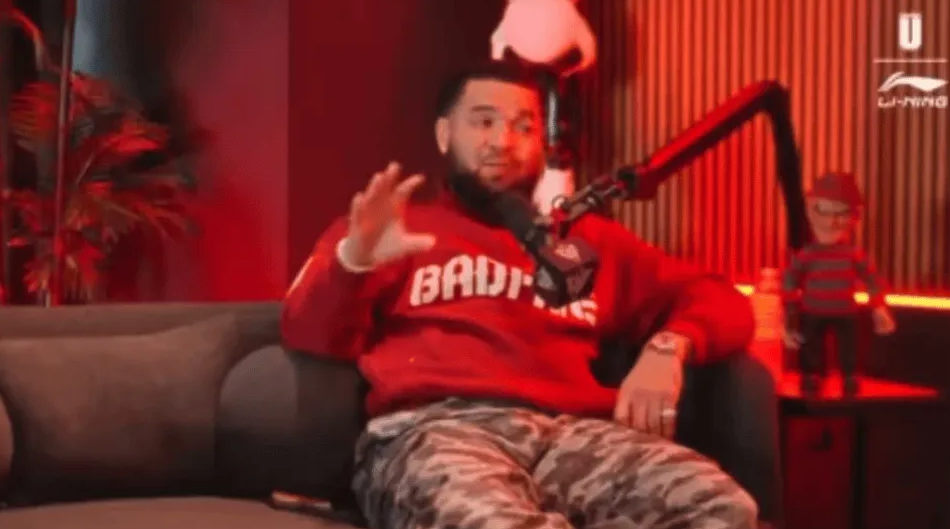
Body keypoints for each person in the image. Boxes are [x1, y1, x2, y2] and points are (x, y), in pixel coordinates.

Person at [283, 61, 759, 529]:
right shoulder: (395, 232)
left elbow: (722, 300)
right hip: (435, 431)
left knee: (720, 506)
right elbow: (306, 332)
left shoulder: (583, 241)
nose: (503, 141)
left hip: (571, 436)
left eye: (523, 127)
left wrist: (669, 347)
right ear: (445, 134)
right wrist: (353, 262)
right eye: (483, 121)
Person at [782, 171, 896, 397]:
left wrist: (879, 306)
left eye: (841, 213)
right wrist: (790, 315)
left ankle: (850, 376)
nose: (831, 221)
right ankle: (811, 376)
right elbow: (789, 282)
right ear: (810, 210)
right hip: (811, 311)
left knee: (849, 347)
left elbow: (873, 281)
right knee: (811, 346)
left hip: (846, 312)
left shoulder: (854, 255)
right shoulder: (806, 255)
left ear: (854, 216)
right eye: (824, 211)